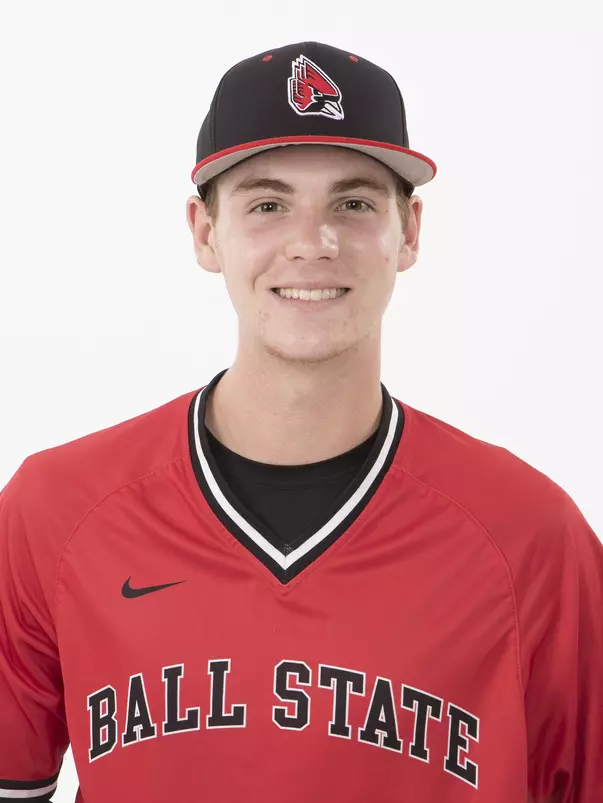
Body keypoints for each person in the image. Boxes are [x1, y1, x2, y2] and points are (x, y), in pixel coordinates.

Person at [0, 40, 600, 803]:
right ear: (204, 231)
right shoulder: (55, 511)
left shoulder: (530, 539)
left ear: (408, 232)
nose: (312, 242)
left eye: (353, 204)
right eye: (267, 204)